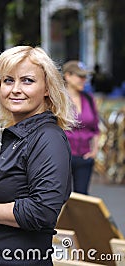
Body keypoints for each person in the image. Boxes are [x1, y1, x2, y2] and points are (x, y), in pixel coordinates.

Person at [0, 46, 77, 265]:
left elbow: (43, 211)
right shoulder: (16, 134)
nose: (15, 89)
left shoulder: (48, 138)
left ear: (47, 88)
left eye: (28, 81)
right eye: (8, 80)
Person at [63, 60, 100, 195]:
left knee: (82, 198)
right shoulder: (58, 99)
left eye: (85, 77)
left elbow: (95, 128)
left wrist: (94, 151)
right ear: (68, 76)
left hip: (84, 156)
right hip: (62, 157)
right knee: (59, 198)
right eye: (80, 76)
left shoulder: (89, 99)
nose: (83, 80)